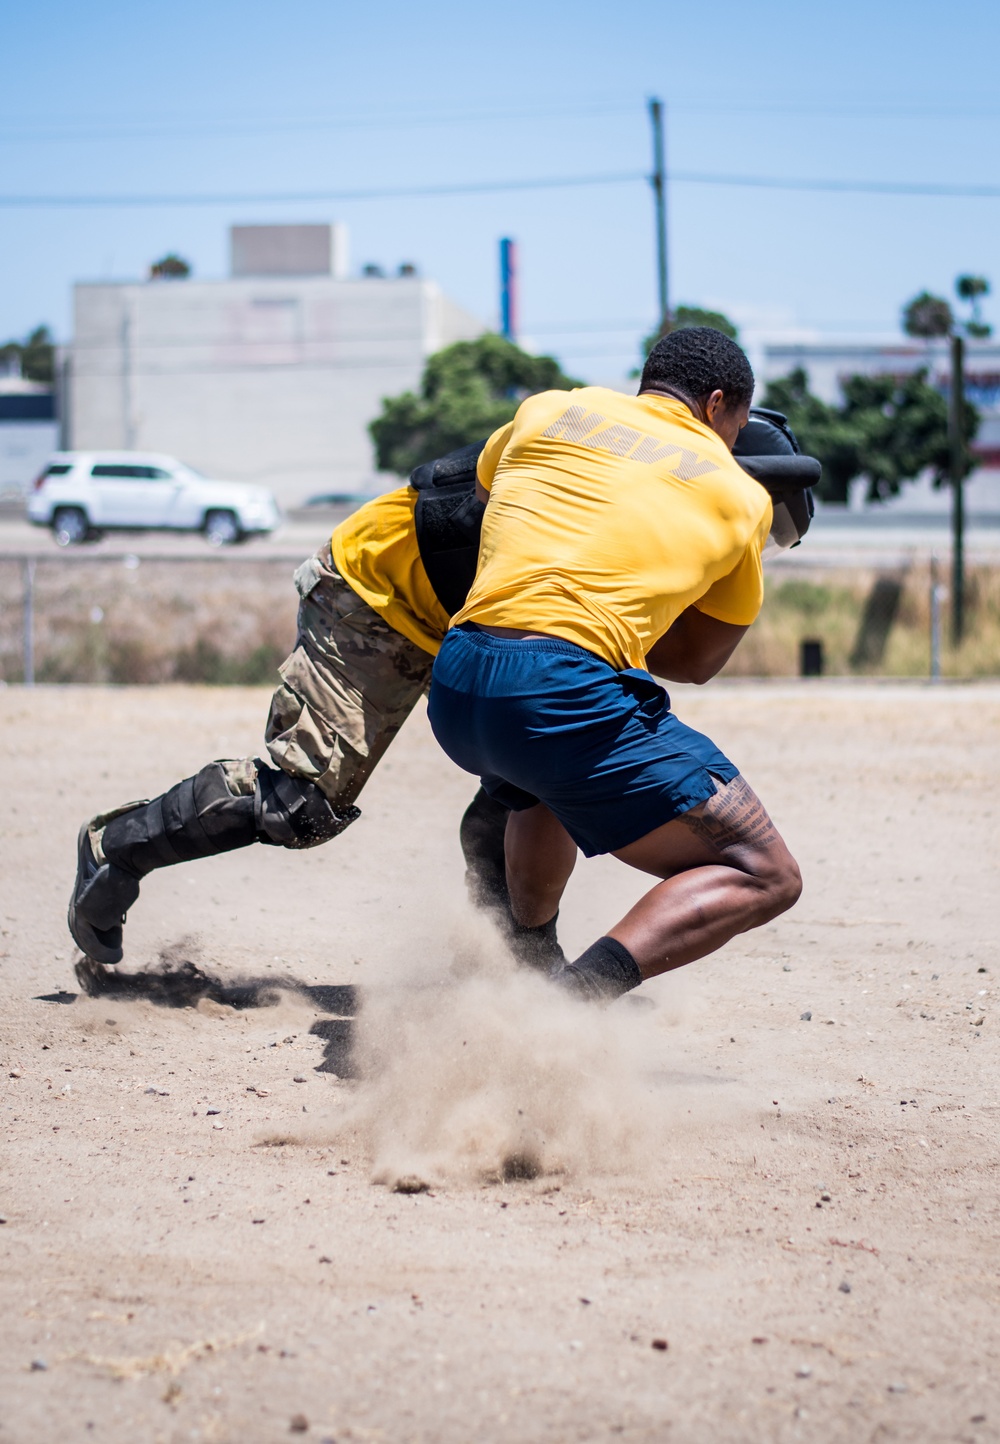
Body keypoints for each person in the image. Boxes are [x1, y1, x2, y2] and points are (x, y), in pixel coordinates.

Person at [427, 328, 805, 1002]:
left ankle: (530, 967)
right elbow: (693, 662)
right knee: (769, 875)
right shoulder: (740, 496)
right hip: (555, 696)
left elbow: (490, 506)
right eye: (735, 428)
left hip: (457, 682)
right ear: (718, 404)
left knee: (546, 783)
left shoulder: (547, 408)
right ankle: (571, 1007)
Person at [67, 462, 561, 970]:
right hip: (377, 589)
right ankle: (118, 848)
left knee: (538, 771)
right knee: (301, 806)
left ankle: (511, 963)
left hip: (475, 621)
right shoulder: (584, 435)